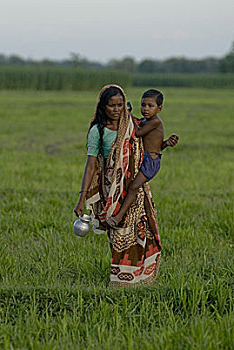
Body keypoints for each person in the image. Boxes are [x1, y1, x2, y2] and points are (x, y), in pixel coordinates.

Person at [74, 85, 172, 286]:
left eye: (120, 105)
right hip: (112, 191)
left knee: (137, 233)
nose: (117, 110)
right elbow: (91, 164)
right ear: (103, 106)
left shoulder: (133, 124)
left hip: (135, 189)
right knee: (118, 234)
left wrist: (166, 144)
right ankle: (121, 280)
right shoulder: (97, 132)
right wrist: (82, 197)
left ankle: (139, 279)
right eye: (112, 106)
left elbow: (151, 143)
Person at [107, 89, 178, 227]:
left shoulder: (155, 122)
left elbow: (138, 133)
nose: (146, 109)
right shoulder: (145, 120)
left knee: (133, 187)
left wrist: (128, 114)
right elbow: (156, 145)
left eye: (150, 106)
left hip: (150, 162)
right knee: (128, 185)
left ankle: (118, 217)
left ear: (159, 108)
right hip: (143, 158)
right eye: (143, 105)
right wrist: (166, 143)